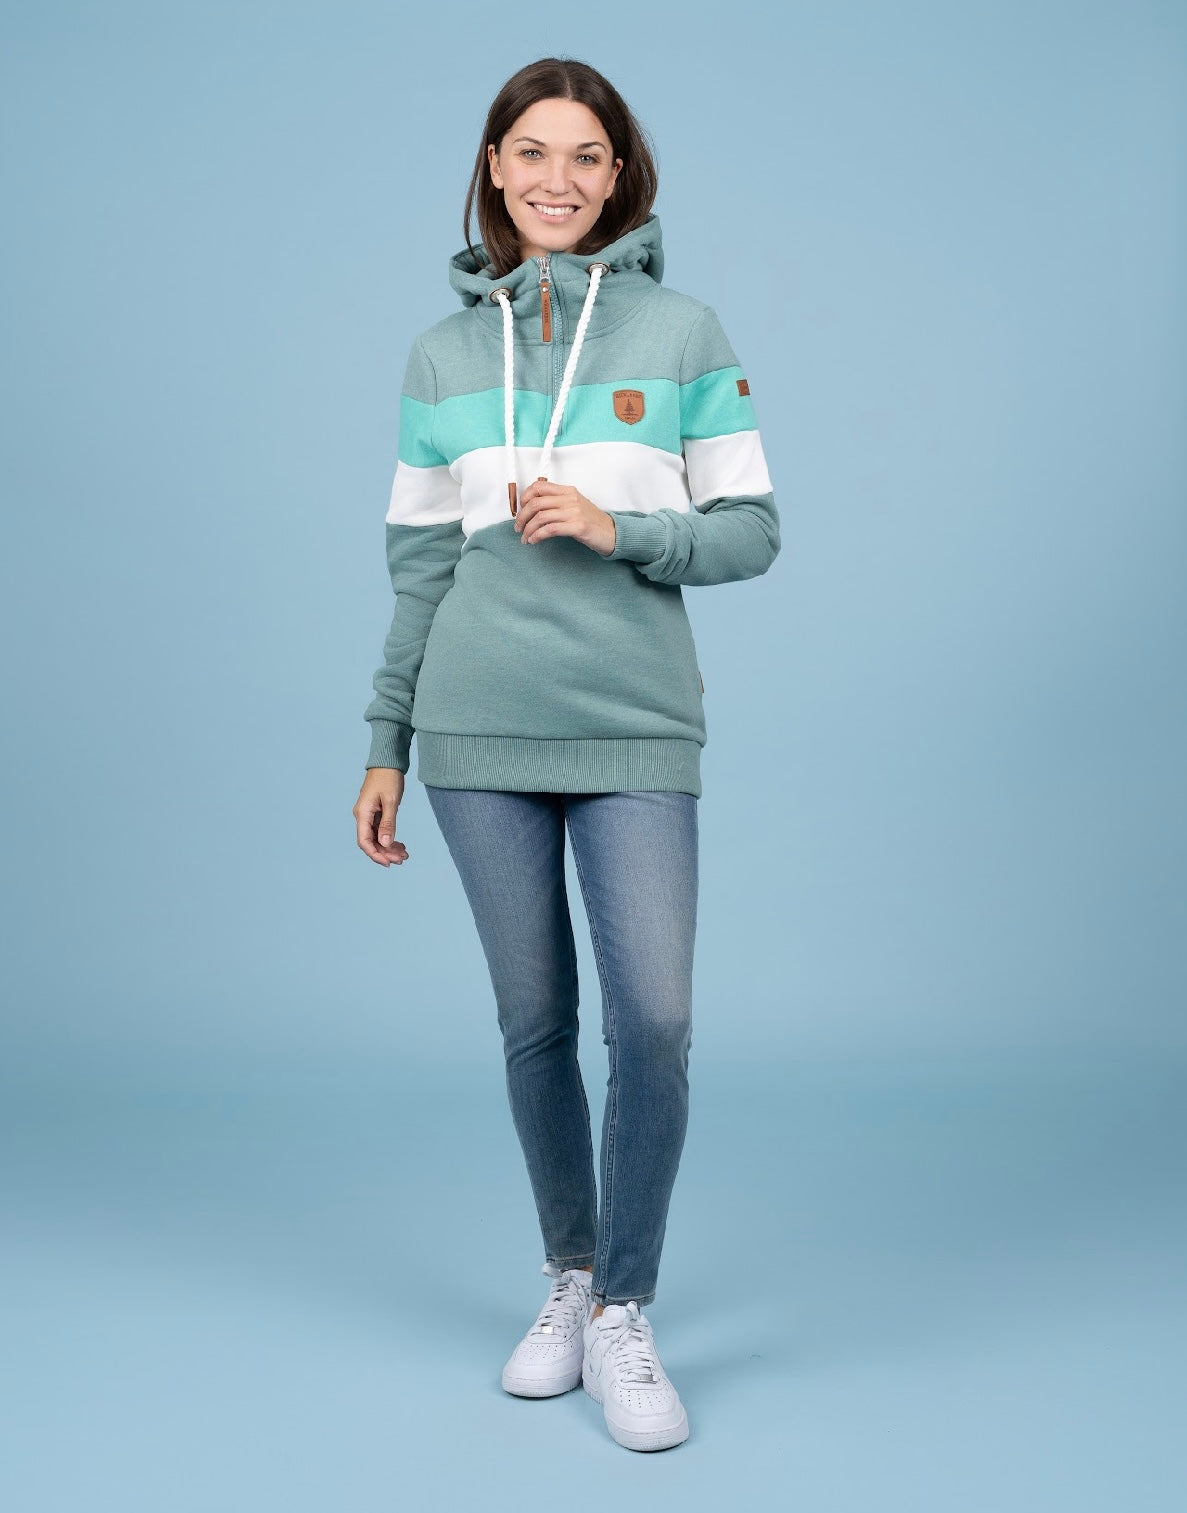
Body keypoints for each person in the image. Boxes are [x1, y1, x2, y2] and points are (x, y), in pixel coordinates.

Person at [353, 57, 780, 1453]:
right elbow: (419, 569)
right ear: (494, 167)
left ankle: (627, 1311)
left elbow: (752, 530)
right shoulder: (441, 356)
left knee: (650, 1021)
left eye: (586, 156)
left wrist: (619, 530)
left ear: (619, 176)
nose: (557, 178)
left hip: (635, 721)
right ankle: (571, 1276)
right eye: (531, 152)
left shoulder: (682, 332)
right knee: (534, 1021)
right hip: (473, 730)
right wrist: (385, 739)